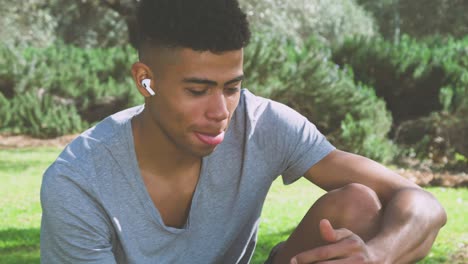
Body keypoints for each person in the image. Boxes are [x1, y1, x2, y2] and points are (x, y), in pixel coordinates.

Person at [40, 0, 447, 263]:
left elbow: (424, 205)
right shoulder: (78, 181)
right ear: (146, 81)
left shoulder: (262, 124)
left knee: (359, 206)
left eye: (231, 87)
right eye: (197, 89)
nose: (221, 111)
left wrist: (378, 256)